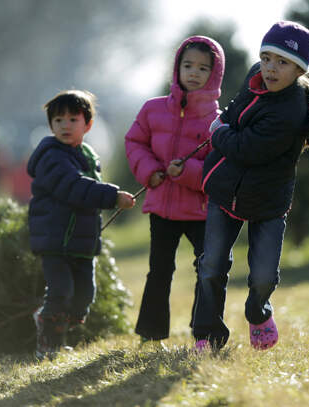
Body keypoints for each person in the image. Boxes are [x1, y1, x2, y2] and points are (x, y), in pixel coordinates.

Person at [192, 21, 309, 351]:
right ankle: (207, 333)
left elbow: (245, 147)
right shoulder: (256, 78)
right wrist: (226, 123)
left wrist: (218, 131)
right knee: (211, 266)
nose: (270, 68)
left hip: (268, 202)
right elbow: (237, 114)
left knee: (264, 276)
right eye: (266, 58)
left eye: (282, 62)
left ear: (299, 70)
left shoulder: (290, 111)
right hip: (227, 191)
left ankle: (258, 312)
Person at [125, 36, 225, 342]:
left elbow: (219, 167)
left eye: (203, 68)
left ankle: (204, 331)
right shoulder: (153, 110)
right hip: (161, 208)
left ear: (215, 74)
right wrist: (150, 172)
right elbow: (135, 142)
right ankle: (151, 331)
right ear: (176, 68)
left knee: (207, 270)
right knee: (159, 271)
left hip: (200, 211)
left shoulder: (218, 122)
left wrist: (187, 174)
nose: (194, 72)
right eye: (188, 65)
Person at [27, 90, 136, 360]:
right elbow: (74, 188)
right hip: (55, 239)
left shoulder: (87, 154)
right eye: (58, 120)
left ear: (87, 125)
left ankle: (56, 328)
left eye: (72, 119)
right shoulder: (52, 157)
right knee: (61, 291)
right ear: (50, 125)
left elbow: (87, 191)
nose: (65, 125)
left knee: (84, 296)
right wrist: (112, 196)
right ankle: (48, 344)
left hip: (81, 241)